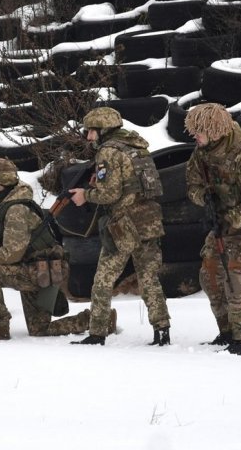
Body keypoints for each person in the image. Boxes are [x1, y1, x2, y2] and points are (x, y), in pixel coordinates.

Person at [0, 158, 101, 340]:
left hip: (38, 271)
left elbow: (12, 254)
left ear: (2, 183)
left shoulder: (16, 209)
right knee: (39, 329)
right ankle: (94, 320)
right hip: (38, 268)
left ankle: (0, 327)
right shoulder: (6, 201)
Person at [68, 107, 170, 346]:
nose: (88, 137)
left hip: (125, 225)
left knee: (103, 278)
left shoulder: (108, 152)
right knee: (149, 278)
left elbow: (109, 193)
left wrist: (86, 195)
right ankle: (162, 331)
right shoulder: (137, 147)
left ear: (103, 130)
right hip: (149, 220)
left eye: (91, 132)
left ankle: (97, 333)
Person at [184, 102, 241, 356]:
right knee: (209, 276)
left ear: (215, 131)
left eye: (199, 132)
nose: (195, 137)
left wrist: (233, 218)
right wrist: (204, 198)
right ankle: (226, 332)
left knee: (235, 277)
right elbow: (192, 184)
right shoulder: (202, 153)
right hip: (221, 224)